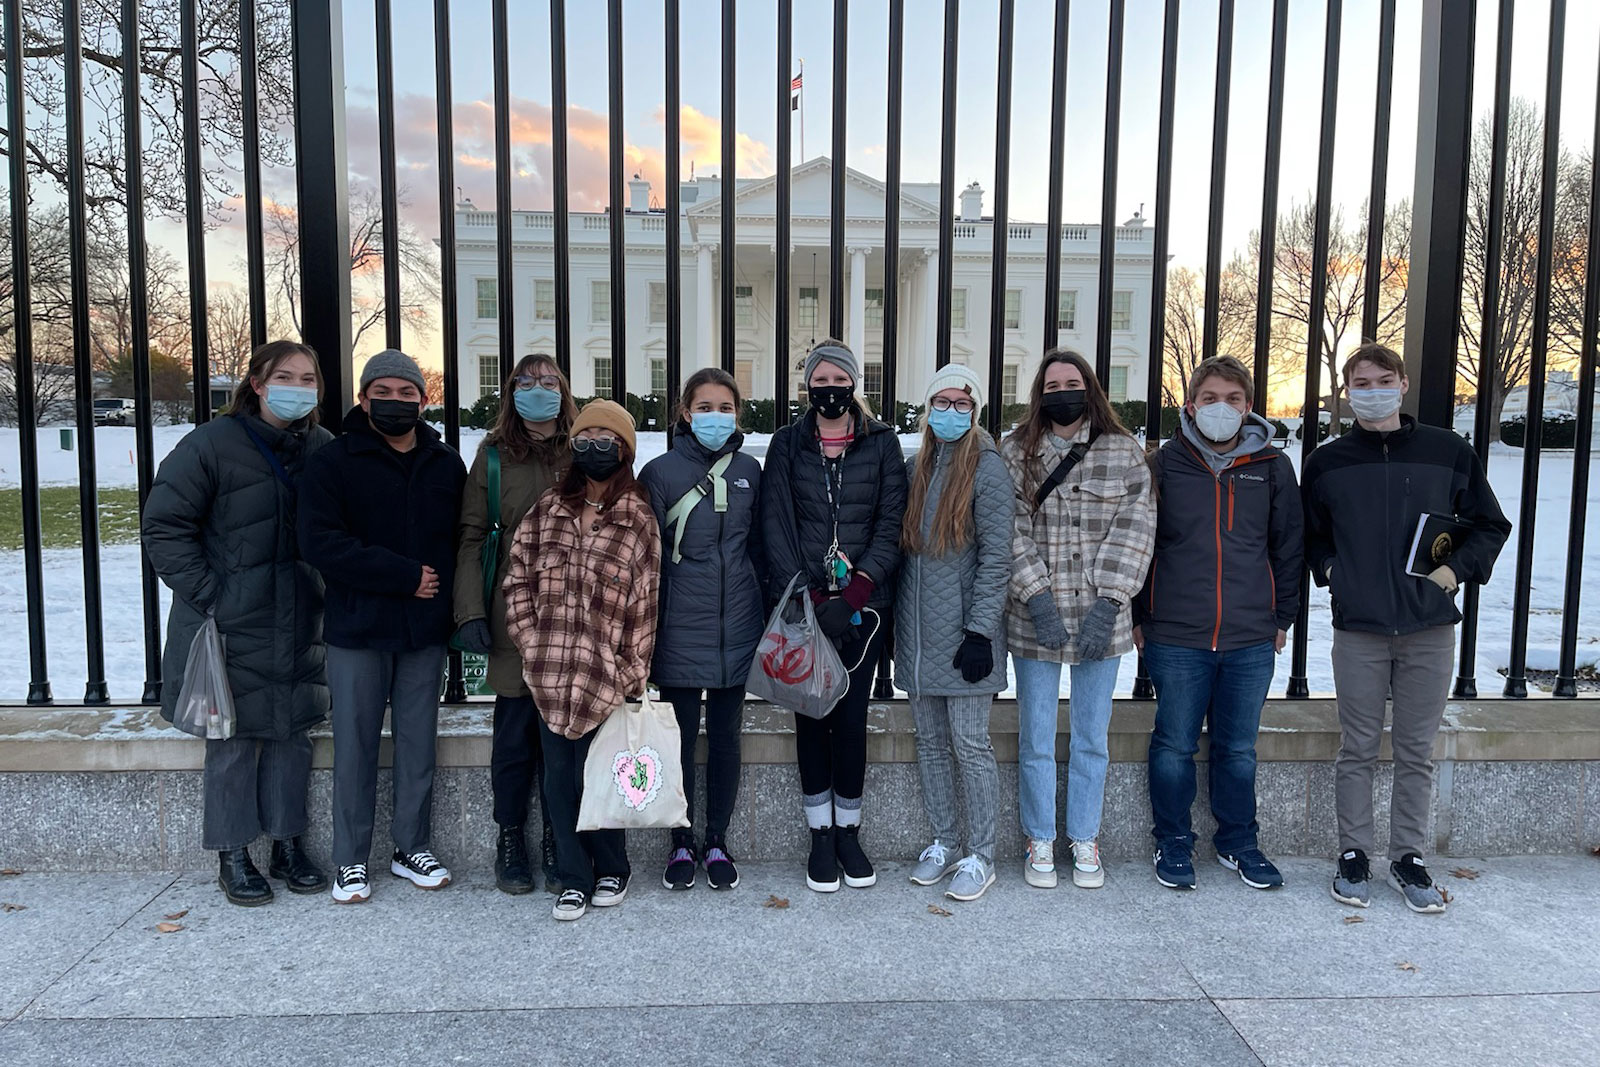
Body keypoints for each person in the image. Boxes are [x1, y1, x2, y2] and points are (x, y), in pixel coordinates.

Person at [1303, 343, 1510, 914]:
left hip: (1429, 626)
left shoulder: (1448, 451)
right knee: (1359, 747)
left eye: (1383, 379)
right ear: (1347, 392)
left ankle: (1409, 857)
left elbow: (1489, 525)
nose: (1373, 389)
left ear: (1403, 383)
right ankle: (1353, 853)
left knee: (1416, 750)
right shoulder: (1327, 461)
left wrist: (1453, 572)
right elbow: (1312, 534)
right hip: (1359, 628)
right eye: (1361, 382)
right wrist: (1330, 572)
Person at [143, 341, 334, 907]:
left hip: (299, 616)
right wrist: (213, 596)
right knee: (231, 739)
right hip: (228, 622)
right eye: (285, 376)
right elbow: (164, 527)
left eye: (307, 378)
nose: (297, 388)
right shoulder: (210, 444)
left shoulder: (321, 449)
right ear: (256, 382)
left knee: (290, 735)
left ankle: (286, 843)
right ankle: (232, 853)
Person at [298, 349, 467, 904]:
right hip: (359, 629)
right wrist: (400, 576)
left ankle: (409, 846)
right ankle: (351, 857)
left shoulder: (445, 462)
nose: (396, 402)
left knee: (419, 744)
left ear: (423, 398)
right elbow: (320, 542)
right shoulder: (334, 462)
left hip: (424, 630)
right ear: (363, 398)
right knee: (355, 745)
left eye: (407, 393)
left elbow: (460, 542)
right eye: (384, 392)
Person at [1133, 356, 1303, 892]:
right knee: (1174, 744)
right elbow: (1140, 544)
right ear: (1190, 405)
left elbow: (1288, 546)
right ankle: (1174, 840)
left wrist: (1284, 617)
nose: (1221, 408)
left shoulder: (1272, 466)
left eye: (1233, 398)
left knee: (1238, 748)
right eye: (1210, 398)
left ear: (1249, 406)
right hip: (1176, 633)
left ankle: (1238, 841)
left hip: (1251, 636)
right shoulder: (1162, 464)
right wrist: (1141, 617)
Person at [1002, 347, 1154, 890]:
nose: (1061, 392)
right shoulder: (1013, 452)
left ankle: (1084, 835)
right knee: (1036, 738)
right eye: (1050, 385)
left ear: (1089, 387)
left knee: (1092, 738)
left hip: (1101, 620)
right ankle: (1038, 835)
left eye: (1071, 382)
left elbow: (1137, 528)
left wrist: (1111, 600)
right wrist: (1037, 597)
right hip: (1032, 619)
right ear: (1039, 395)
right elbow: (1008, 532)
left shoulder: (1123, 453)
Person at [503, 399, 661, 922]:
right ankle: (573, 877)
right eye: (585, 437)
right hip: (549, 674)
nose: (594, 447)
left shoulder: (637, 518)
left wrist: (630, 672)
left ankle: (612, 867)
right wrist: (530, 643)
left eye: (606, 439)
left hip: (605, 677)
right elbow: (518, 579)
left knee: (605, 775)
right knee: (558, 779)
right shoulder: (548, 508)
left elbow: (645, 602)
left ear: (624, 450)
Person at [761, 338, 907, 893]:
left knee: (849, 721)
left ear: (853, 384)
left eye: (837, 381)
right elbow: (776, 528)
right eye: (818, 382)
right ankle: (819, 834)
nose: (829, 391)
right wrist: (814, 600)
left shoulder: (882, 444)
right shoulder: (785, 445)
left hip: (863, 612)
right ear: (807, 388)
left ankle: (849, 830)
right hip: (805, 609)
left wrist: (854, 596)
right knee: (810, 717)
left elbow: (892, 524)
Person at [452, 355, 577, 896]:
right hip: (513, 611)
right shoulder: (493, 457)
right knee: (513, 736)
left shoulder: (582, 449)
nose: (538, 390)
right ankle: (510, 838)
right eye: (526, 382)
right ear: (511, 391)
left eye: (549, 382)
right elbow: (472, 537)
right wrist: (470, 612)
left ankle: (557, 835)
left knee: (563, 736)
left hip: (572, 613)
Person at [639, 368, 764, 892]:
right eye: (705, 407)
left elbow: (759, 545)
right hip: (680, 629)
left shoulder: (751, 471)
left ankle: (718, 839)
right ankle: (681, 842)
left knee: (727, 741)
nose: (716, 416)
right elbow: (644, 559)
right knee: (681, 740)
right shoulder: (659, 473)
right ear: (686, 413)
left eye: (726, 407)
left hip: (738, 625)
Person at [895, 365, 1012, 903]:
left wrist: (980, 631)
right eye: (939, 402)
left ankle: (982, 853)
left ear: (975, 410)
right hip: (917, 638)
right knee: (932, 746)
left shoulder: (987, 467)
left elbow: (996, 558)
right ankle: (944, 840)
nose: (949, 411)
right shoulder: (914, 465)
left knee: (970, 745)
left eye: (960, 403)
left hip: (964, 637)